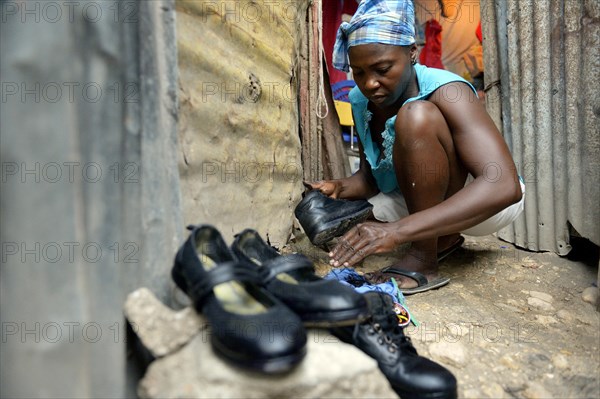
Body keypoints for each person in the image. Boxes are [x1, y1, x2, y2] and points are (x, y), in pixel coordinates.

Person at [306, 0, 524, 292]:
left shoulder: (449, 91)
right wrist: (340, 188)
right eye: (358, 72)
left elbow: (503, 186)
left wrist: (396, 232)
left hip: (484, 203)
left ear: (412, 53)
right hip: (416, 199)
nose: (370, 83)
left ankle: (423, 258)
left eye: (382, 68)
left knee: (414, 114)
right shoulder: (362, 100)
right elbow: (373, 176)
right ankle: (442, 239)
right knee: (355, 222)